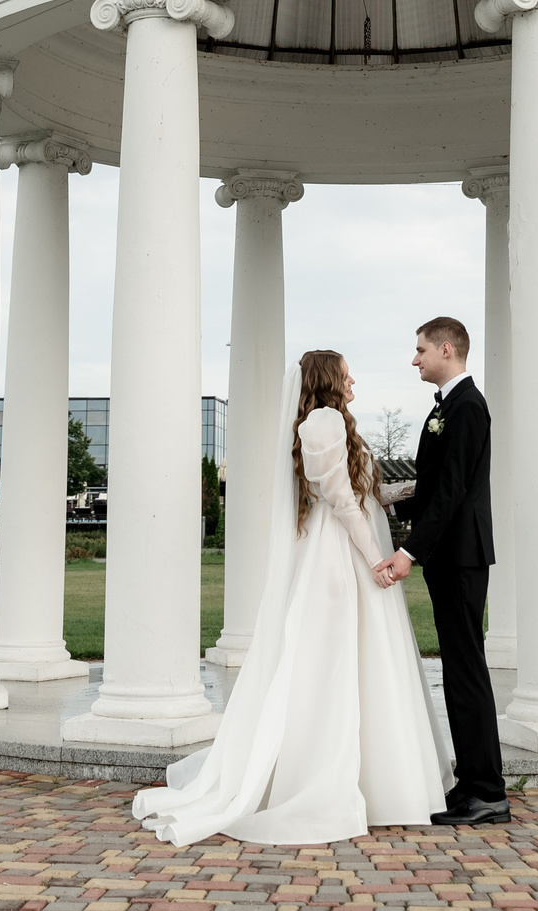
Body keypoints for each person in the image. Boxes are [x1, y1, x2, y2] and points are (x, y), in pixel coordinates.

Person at [131, 350, 449, 846]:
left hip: (349, 542)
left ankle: (375, 779)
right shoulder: (321, 422)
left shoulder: (333, 422)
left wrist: (412, 490)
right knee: (336, 659)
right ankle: (336, 778)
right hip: (338, 557)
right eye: (346, 373)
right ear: (328, 380)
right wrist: (373, 558)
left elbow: (360, 493)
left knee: (358, 660)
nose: (353, 381)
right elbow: (341, 500)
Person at [373, 317, 505, 826]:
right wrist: (388, 505)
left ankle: (488, 791)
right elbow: (434, 488)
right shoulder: (448, 406)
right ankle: (470, 781)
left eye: (420, 349)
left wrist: (409, 552)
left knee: (466, 669)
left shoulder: (468, 406)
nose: (415, 359)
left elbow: (453, 491)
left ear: (446, 349)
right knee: (456, 668)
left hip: (461, 555)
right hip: (450, 555)